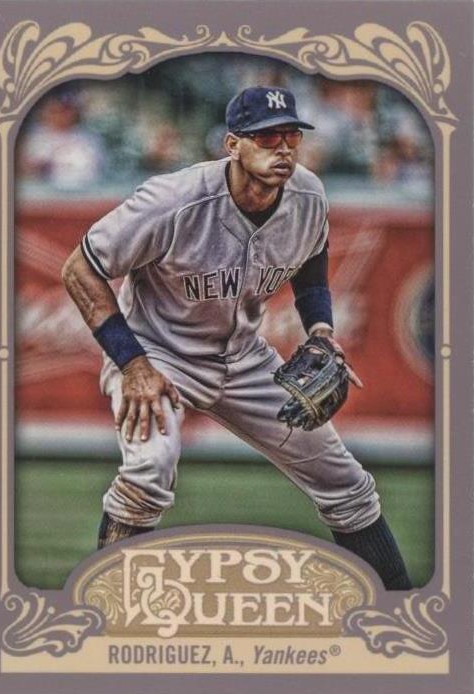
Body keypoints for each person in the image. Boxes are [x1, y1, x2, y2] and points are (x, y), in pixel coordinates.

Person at [62, 86, 411, 590]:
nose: (283, 148)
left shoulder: (308, 195)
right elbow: (80, 269)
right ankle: (108, 609)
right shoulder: (173, 201)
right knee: (148, 472)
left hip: (244, 357)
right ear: (232, 145)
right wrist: (132, 365)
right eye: (267, 137)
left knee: (348, 485)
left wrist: (320, 330)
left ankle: (398, 609)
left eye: (291, 135)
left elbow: (311, 259)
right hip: (158, 354)